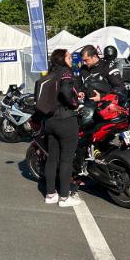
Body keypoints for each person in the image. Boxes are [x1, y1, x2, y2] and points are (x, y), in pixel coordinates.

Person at [42, 49, 82, 207]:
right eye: (69, 57)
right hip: (65, 120)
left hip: (50, 121)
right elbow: (66, 92)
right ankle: (64, 197)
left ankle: (50, 194)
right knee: (66, 159)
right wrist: (75, 103)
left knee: (52, 159)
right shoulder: (65, 72)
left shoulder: (50, 74)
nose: (71, 59)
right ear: (62, 59)